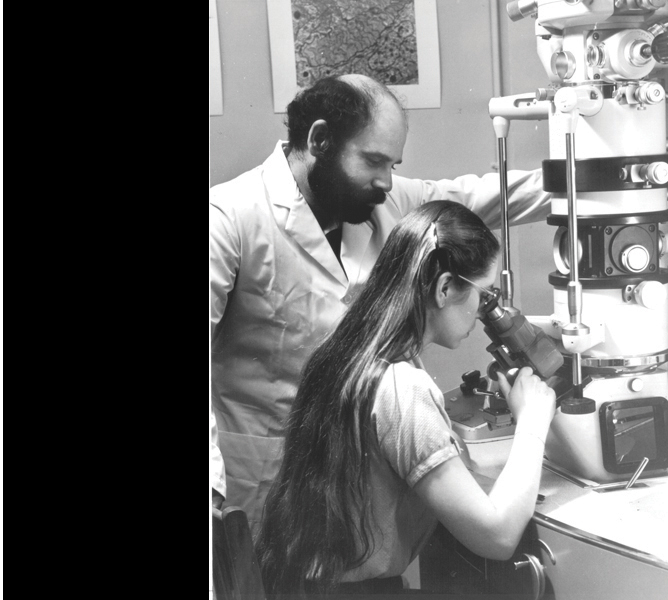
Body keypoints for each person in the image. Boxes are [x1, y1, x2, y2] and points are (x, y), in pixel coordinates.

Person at [210, 73, 551, 533]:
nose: (387, 181)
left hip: (351, 485)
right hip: (259, 480)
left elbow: (479, 198)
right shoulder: (229, 218)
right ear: (319, 140)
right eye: (373, 161)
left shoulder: (379, 199)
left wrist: (590, 173)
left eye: (393, 164)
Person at [255, 201, 557, 597]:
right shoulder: (403, 387)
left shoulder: (348, 349)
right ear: (444, 288)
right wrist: (532, 422)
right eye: (484, 296)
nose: (482, 313)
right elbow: (497, 536)